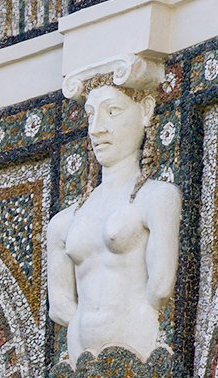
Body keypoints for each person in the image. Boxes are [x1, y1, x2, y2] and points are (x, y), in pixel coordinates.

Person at [47, 70, 181, 362]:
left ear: (146, 110)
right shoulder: (63, 222)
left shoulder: (157, 197)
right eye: (90, 115)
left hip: (138, 343)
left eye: (112, 111)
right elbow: (58, 306)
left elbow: (160, 286)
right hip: (80, 354)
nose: (96, 129)